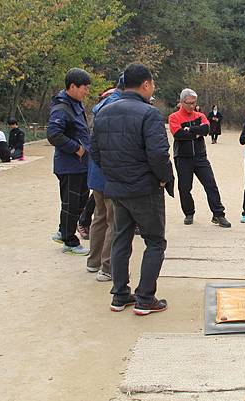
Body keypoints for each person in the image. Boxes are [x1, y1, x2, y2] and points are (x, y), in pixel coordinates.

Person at [92, 62, 175, 315]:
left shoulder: (103, 112)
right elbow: (159, 154)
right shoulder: (149, 113)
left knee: (121, 239)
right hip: (145, 188)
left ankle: (119, 295)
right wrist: (164, 179)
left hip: (116, 188)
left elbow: (95, 152)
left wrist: (113, 174)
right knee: (155, 242)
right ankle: (145, 298)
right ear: (146, 84)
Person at [168, 88, 231, 228]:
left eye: (194, 103)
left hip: (200, 156)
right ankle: (189, 213)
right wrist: (196, 132)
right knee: (185, 188)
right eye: (188, 103)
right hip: (183, 157)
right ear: (181, 102)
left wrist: (189, 130)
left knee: (210, 184)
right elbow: (178, 134)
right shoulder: (174, 117)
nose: (192, 106)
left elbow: (206, 130)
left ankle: (218, 214)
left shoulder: (200, 115)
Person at [46, 68, 92, 256]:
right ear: (72, 86)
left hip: (80, 165)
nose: (86, 91)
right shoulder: (61, 108)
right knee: (71, 202)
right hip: (70, 165)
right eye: (84, 88)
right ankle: (69, 241)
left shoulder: (75, 104)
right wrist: (76, 148)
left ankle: (62, 230)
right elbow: (53, 134)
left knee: (80, 199)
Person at [85, 74, 125, 282]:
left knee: (99, 217)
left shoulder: (101, 106)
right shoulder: (119, 108)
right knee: (114, 220)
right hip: (110, 174)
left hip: (96, 172)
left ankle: (93, 261)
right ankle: (107, 266)